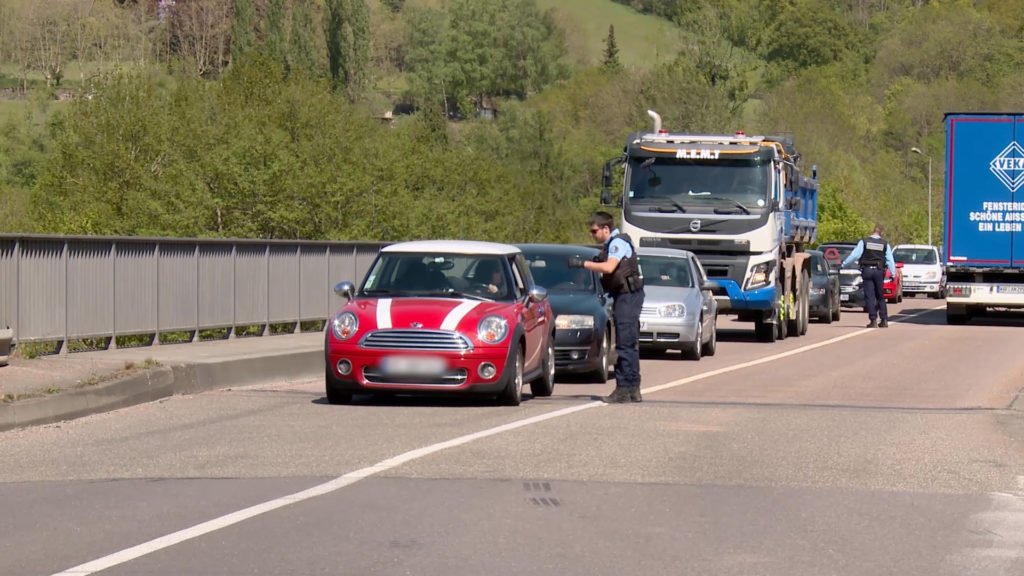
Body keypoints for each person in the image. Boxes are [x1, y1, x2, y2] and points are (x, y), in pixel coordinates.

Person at [568, 211, 645, 403]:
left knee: (625, 343)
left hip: (628, 297)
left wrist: (582, 264)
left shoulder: (617, 243)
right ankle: (633, 388)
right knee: (629, 342)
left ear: (605, 228)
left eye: (594, 231)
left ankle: (624, 388)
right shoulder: (613, 243)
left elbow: (610, 267)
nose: (592, 235)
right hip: (626, 296)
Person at [841, 224, 897, 328]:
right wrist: (893, 274)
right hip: (879, 272)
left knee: (870, 297)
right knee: (880, 296)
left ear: (873, 232)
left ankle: (873, 320)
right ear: (881, 233)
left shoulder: (864, 242)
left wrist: (844, 264)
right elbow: (890, 260)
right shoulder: (885, 244)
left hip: (867, 271)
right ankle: (884, 320)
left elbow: (855, 255)